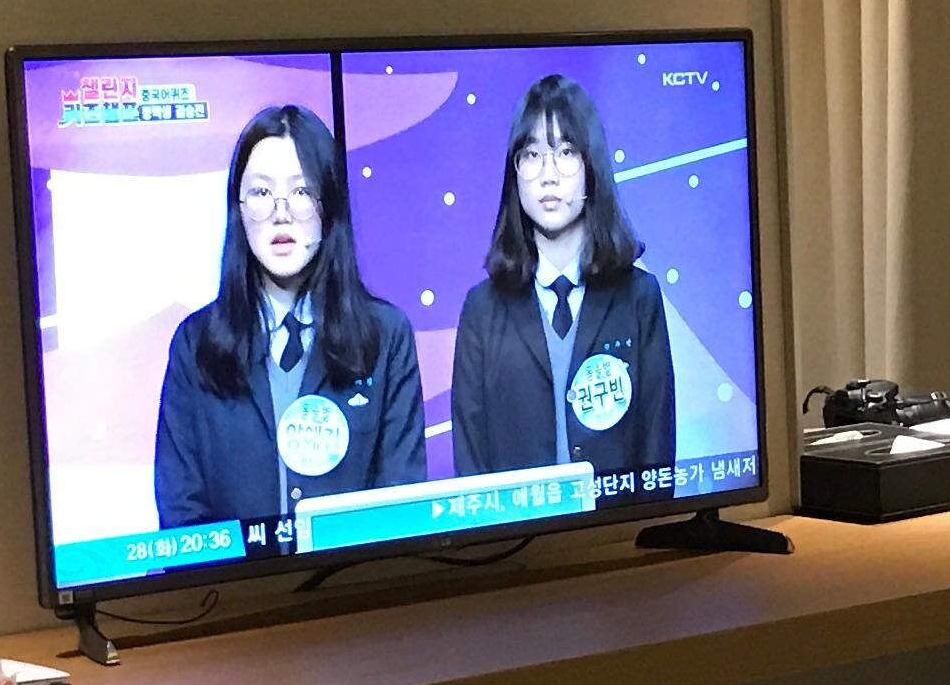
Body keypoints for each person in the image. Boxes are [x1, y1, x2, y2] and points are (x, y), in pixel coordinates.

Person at [151, 104, 426, 534]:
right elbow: (181, 513)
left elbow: (400, 503)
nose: (281, 213)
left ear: (328, 205)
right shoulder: (196, 345)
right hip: (235, 579)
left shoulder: (386, 337)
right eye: (261, 193)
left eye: (301, 191)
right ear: (239, 209)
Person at [448, 74, 678, 488]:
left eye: (566, 152)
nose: (548, 175)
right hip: (516, 527)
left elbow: (656, 456)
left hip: (617, 523)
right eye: (532, 155)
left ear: (591, 167)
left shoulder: (639, 299)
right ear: (515, 173)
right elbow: (471, 464)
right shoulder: (481, 310)